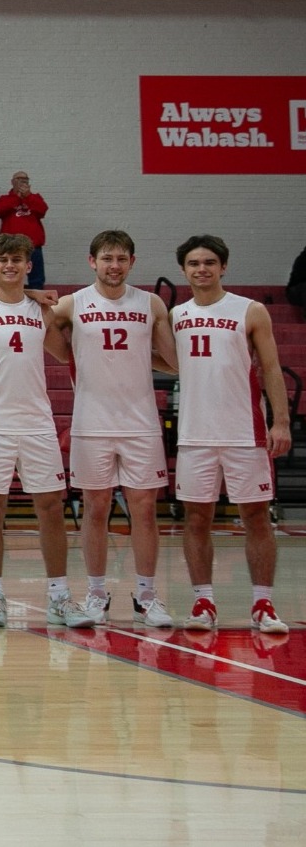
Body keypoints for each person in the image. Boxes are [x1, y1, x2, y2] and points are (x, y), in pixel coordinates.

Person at [0, 232, 88, 629]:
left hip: (37, 421)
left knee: (50, 508)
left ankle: (59, 595)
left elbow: (67, 356)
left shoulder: (44, 310)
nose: (9, 265)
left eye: (17, 260)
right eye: (2, 260)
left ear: (28, 265)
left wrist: (33, 294)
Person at [44, 230, 176, 628]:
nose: (113, 266)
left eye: (121, 258)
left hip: (140, 422)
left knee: (145, 510)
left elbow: (172, 360)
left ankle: (147, 596)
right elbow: (45, 325)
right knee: (96, 508)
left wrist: (149, 354)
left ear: (132, 262)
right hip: (91, 421)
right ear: (92, 262)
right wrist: (69, 354)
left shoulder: (150, 303)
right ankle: (97, 593)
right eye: (107, 258)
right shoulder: (74, 302)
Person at [170, 235, 292, 634]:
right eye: (193, 263)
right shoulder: (175, 314)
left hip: (244, 431)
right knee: (196, 518)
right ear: (184, 270)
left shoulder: (250, 311)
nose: (201, 269)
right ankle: (203, 601)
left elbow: (271, 369)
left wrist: (281, 421)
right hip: (194, 433)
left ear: (224, 267)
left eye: (209, 262)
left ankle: (263, 604)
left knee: (256, 516)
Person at [0, 172, 49, 289]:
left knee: (37, 279)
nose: (23, 181)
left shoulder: (35, 198)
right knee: (10, 276)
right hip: (11, 246)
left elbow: (42, 210)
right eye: (19, 179)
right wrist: (17, 197)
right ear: (12, 182)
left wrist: (28, 196)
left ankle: (37, 304)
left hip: (33, 245)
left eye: (25, 179)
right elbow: (0, 210)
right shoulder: (4, 199)